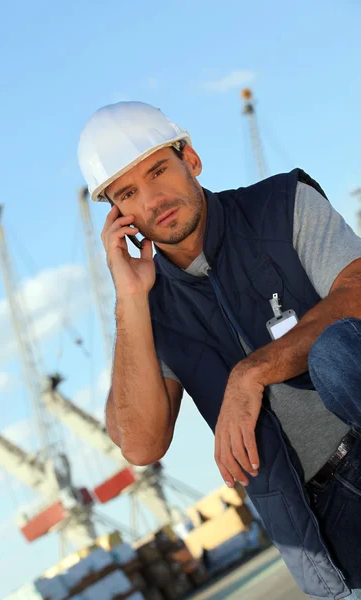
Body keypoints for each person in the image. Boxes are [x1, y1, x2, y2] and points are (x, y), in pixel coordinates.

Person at [78, 101, 361, 599]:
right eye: (128, 194)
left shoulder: (282, 204)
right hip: (317, 528)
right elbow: (141, 444)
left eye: (159, 169)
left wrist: (250, 374)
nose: (153, 199)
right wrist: (129, 299)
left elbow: (356, 293)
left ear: (192, 159)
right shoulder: (150, 312)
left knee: (335, 352)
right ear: (118, 215)